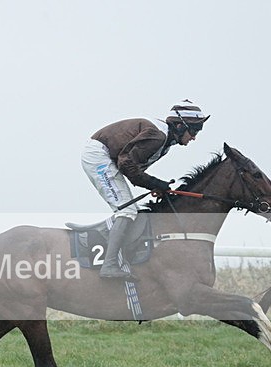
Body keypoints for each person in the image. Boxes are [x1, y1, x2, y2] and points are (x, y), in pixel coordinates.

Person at [81, 99, 209, 279]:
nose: (195, 137)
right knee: (127, 210)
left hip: (107, 157)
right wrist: (154, 183)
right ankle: (109, 265)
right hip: (98, 156)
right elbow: (127, 164)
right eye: (194, 130)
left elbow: (134, 168)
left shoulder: (165, 143)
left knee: (127, 208)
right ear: (180, 126)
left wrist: (154, 184)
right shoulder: (158, 137)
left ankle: (110, 240)